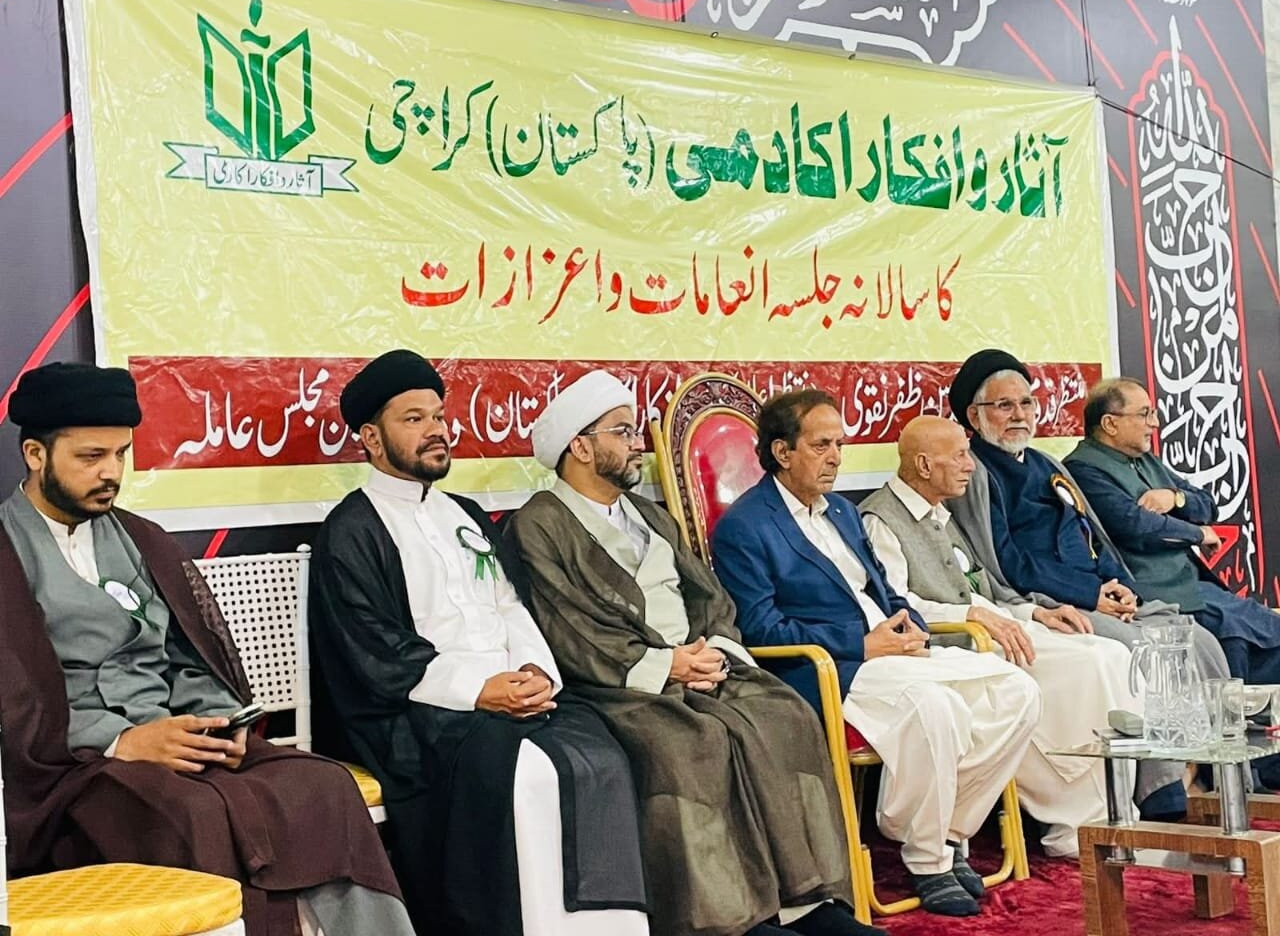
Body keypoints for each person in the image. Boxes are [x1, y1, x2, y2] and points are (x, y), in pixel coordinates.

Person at [0, 362, 411, 936]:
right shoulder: (7, 553)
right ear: (35, 455)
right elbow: (17, 703)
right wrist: (122, 741)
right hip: (73, 765)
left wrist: (218, 720)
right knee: (190, 812)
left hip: (177, 736)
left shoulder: (141, 539)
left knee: (323, 786)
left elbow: (189, 656)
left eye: (121, 454)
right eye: (91, 457)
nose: (111, 472)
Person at [507, 371, 875, 936]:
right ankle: (725, 922)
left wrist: (714, 652)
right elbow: (566, 625)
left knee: (785, 715)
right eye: (621, 432)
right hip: (621, 684)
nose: (636, 443)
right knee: (689, 745)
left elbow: (709, 595)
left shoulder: (648, 515)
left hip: (700, 664)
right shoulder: (539, 524)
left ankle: (808, 902)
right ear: (580, 447)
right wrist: (666, 666)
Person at [308, 351, 648, 936]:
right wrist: (480, 690)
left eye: (439, 416)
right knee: (528, 772)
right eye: (413, 419)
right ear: (371, 438)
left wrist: (535, 671)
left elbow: (511, 605)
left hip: (510, 693)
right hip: (422, 710)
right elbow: (375, 652)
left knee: (605, 754)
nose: (435, 430)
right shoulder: (352, 530)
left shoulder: (462, 513)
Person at [711, 389, 1040, 918]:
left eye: (839, 445)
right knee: (938, 708)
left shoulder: (842, 511)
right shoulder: (745, 526)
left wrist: (907, 627)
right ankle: (927, 860)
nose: (835, 458)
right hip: (826, 667)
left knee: (1016, 690)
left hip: (892, 651)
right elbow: (758, 629)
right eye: (821, 445)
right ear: (782, 452)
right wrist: (861, 644)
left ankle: (947, 832)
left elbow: (883, 590)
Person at [945, 349, 1231, 818]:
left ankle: (1212, 773)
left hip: (1099, 593)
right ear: (974, 417)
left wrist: (1117, 583)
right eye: (1004, 405)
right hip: (1051, 602)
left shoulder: (1045, 464)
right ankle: (1162, 793)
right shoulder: (977, 474)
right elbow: (1006, 563)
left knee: (1196, 639)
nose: (1018, 414)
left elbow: (1092, 534)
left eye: (1026, 403)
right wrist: (1089, 596)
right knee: (1140, 649)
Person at [860, 415, 1139, 857]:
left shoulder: (940, 511)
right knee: (1087, 663)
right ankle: (1070, 821)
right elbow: (897, 606)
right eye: (959, 456)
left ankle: (1109, 810)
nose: (971, 465)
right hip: (955, 642)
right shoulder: (880, 519)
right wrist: (970, 614)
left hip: (995, 627)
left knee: (1109, 653)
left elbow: (981, 588)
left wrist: (1035, 612)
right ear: (924, 465)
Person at [1064, 377, 1280, 685]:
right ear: (1110, 423)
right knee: (1235, 633)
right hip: (1154, 592)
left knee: (1264, 625)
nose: (1154, 423)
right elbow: (1136, 526)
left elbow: (1207, 505)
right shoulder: (1084, 469)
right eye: (1145, 414)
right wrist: (1198, 534)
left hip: (1192, 584)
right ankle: (1234, 711)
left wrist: (1174, 498)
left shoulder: (1145, 461)